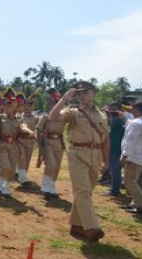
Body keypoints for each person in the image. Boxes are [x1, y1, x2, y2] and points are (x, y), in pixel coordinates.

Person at [48, 81, 109, 243]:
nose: (82, 96)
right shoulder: (73, 112)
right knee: (82, 191)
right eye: (79, 93)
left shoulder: (102, 114)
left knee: (87, 192)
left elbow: (105, 139)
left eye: (86, 92)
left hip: (96, 155)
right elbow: (52, 117)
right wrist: (64, 99)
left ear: (94, 93)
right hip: (78, 154)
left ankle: (76, 225)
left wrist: (106, 161)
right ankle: (91, 227)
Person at [120, 102, 142, 214]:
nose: (132, 111)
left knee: (130, 182)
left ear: (137, 110)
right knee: (139, 183)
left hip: (134, 157)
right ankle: (136, 204)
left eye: (133, 109)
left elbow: (130, 142)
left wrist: (124, 155)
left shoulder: (137, 123)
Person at [37, 88, 65, 198]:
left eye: (57, 103)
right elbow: (38, 132)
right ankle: (45, 187)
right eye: (53, 103)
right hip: (48, 143)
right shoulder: (45, 116)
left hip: (58, 143)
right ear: (49, 105)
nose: (54, 106)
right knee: (51, 165)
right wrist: (40, 148)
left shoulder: (63, 117)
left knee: (56, 166)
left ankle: (52, 187)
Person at [101, 102, 127, 196]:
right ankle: (115, 188)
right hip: (118, 148)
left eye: (114, 109)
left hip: (114, 149)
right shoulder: (122, 120)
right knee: (116, 170)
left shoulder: (115, 120)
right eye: (110, 109)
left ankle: (115, 190)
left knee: (115, 170)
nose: (111, 111)